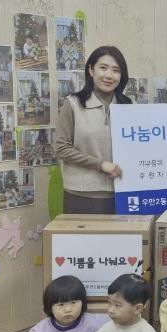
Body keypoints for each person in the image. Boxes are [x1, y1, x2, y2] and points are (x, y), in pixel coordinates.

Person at [55, 46, 132, 214]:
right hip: (81, 194)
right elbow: (61, 148)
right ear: (91, 70)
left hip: (123, 192)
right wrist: (100, 165)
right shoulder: (73, 104)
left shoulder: (128, 107)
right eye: (103, 68)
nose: (109, 75)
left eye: (116, 70)